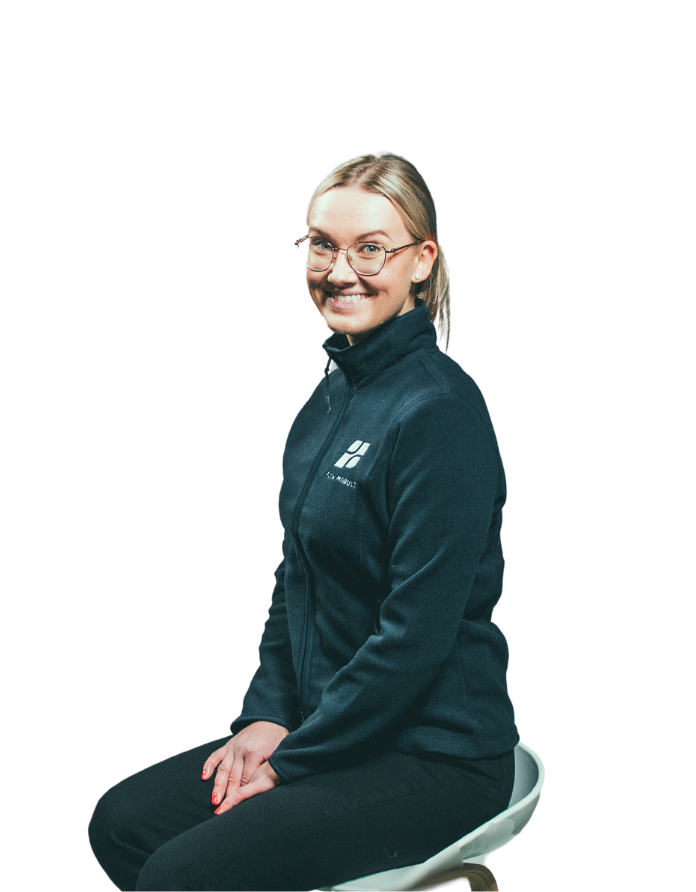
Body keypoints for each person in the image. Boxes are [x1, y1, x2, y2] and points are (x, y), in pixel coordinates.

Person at [87, 150, 520, 892]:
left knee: (182, 877)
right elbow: (296, 582)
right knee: (123, 823)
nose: (340, 271)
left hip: (436, 755)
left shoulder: (441, 413)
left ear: (422, 261)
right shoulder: (322, 407)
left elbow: (413, 638)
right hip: (333, 732)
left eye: (370, 248)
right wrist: (266, 716)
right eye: (323, 244)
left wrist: (292, 760)